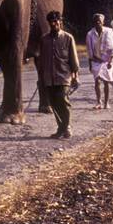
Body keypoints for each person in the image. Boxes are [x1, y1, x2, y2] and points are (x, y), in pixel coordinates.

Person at [38, 11, 80, 139]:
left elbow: (74, 60)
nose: (55, 23)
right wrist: (41, 77)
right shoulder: (44, 40)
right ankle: (61, 128)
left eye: (57, 21)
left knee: (63, 102)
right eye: (52, 21)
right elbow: (41, 60)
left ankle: (66, 127)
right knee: (54, 104)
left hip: (64, 76)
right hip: (49, 78)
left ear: (60, 22)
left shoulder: (68, 38)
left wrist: (75, 76)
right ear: (49, 23)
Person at [85, 13, 113, 110]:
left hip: (107, 61)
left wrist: (111, 61)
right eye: (96, 21)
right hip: (96, 61)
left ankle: (106, 102)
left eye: (99, 21)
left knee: (106, 82)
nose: (98, 23)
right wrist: (90, 64)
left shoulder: (109, 32)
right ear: (93, 23)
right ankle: (99, 101)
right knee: (97, 81)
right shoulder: (90, 34)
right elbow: (89, 50)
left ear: (103, 22)